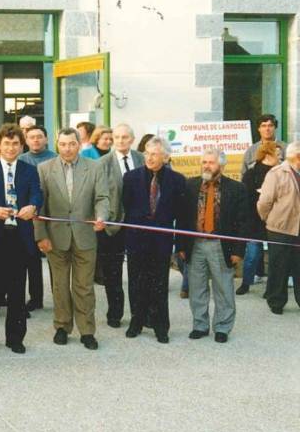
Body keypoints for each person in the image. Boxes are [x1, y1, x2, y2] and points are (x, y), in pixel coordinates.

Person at [34, 128, 109, 350]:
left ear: (79, 144)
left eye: (72, 144)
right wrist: (41, 236)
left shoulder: (94, 167)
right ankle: (62, 327)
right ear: (57, 145)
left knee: (84, 286)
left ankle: (87, 331)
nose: (67, 148)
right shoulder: (44, 169)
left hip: (85, 237)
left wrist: (101, 216)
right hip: (55, 238)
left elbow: (102, 197)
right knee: (59, 285)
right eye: (63, 144)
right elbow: (38, 206)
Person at [0, 124, 41, 354]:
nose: (11, 148)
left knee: (16, 293)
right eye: (6, 143)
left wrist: (33, 205)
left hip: (19, 238)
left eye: (15, 144)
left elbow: (36, 193)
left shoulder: (29, 170)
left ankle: (15, 338)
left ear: (21, 146)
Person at [178, 148, 247, 343]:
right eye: (204, 162)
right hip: (195, 244)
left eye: (211, 162)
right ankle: (199, 325)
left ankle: (222, 327)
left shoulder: (236, 188)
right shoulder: (190, 186)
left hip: (220, 245)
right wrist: (181, 246)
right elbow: (182, 218)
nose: (207, 166)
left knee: (223, 288)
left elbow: (243, 222)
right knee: (197, 287)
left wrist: (238, 251)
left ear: (222, 166)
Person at [122, 137, 185, 343]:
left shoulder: (177, 180)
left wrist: (180, 244)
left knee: (159, 283)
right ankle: (136, 322)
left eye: (155, 154)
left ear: (166, 157)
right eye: (147, 154)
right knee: (136, 282)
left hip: (161, 241)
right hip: (137, 240)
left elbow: (180, 214)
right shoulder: (131, 178)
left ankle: (160, 327)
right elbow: (126, 208)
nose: (149, 158)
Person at [97, 124, 143, 328]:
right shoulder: (101, 163)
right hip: (112, 225)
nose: (120, 141)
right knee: (112, 273)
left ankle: (139, 314)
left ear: (132, 139)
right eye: (116, 137)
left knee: (138, 271)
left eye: (125, 137)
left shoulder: (143, 159)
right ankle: (115, 313)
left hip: (139, 225)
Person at [257, 141, 300, 315]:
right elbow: (264, 202)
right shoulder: (276, 174)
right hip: (280, 229)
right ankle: (276, 302)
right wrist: (271, 220)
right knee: (278, 266)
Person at [18, 126, 57, 311]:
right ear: (26, 141)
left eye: (39, 137)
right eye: (31, 137)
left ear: (46, 139)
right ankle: (36, 298)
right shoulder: (21, 160)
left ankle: (60, 297)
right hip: (27, 216)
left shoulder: (55, 159)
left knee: (54, 260)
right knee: (31, 259)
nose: (36, 140)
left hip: (51, 215)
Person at [238, 140, 280, 295]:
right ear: (269, 154)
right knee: (253, 254)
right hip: (255, 219)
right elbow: (246, 196)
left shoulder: (281, 172)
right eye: (278, 154)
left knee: (272, 256)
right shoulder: (252, 173)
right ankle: (247, 283)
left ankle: (269, 288)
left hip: (273, 219)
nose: (280, 158)